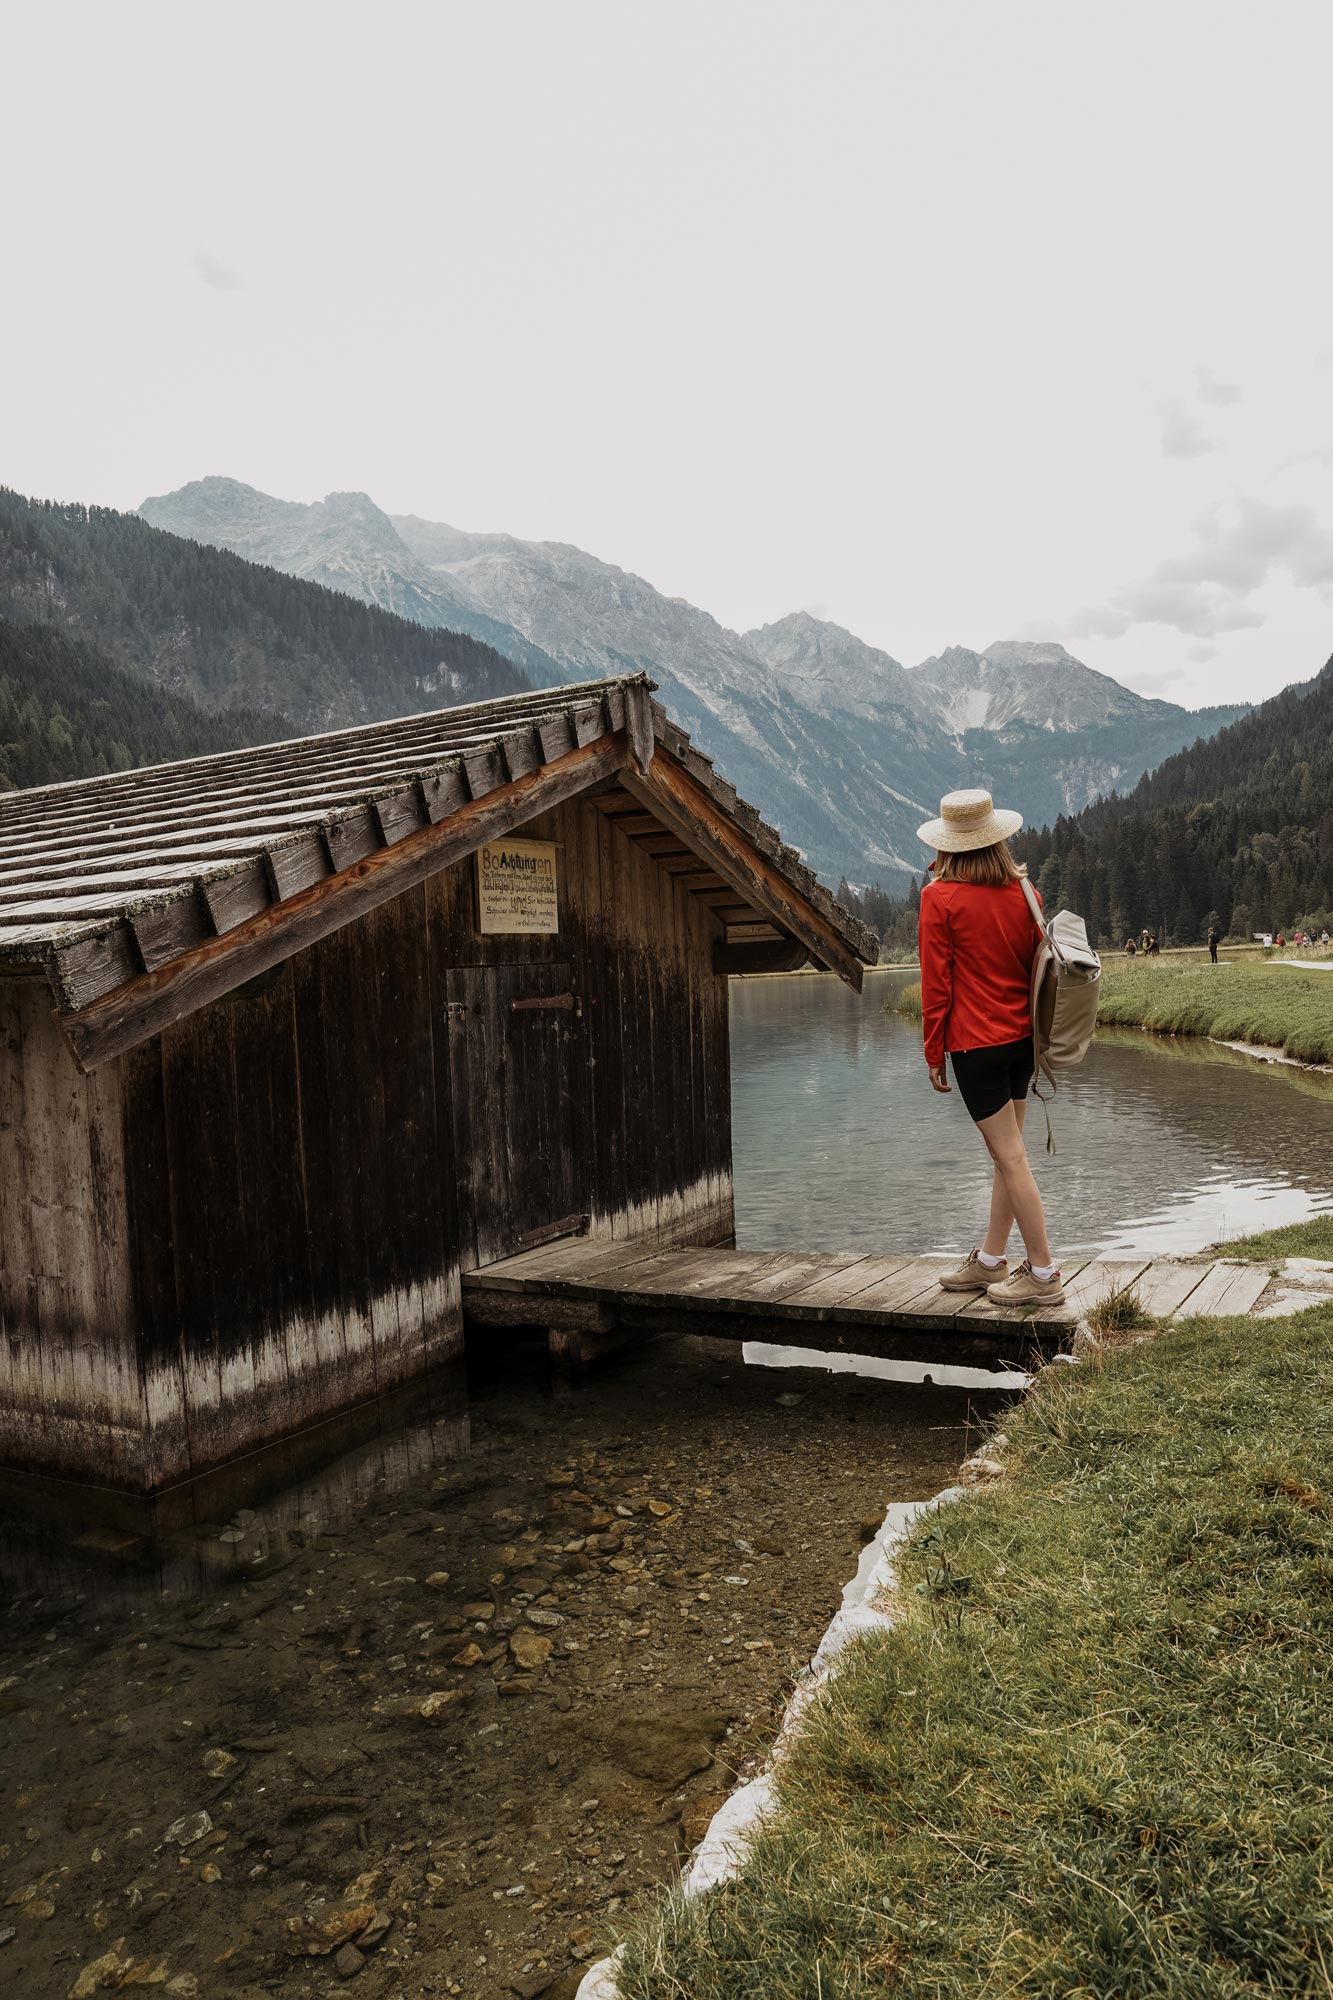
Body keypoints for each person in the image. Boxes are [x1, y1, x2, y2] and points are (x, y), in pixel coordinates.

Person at [916, 788, 1064, 1306]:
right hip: (1023, 1041)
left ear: (950, 845)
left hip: (976, 1046)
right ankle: (990, 1261)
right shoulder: (1026, 893)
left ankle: (1044, 1274)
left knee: (1010, 1156)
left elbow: (937, 987)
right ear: (995, 838)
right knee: (1010, 1156)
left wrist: (934, 1052)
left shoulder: (939, 898)